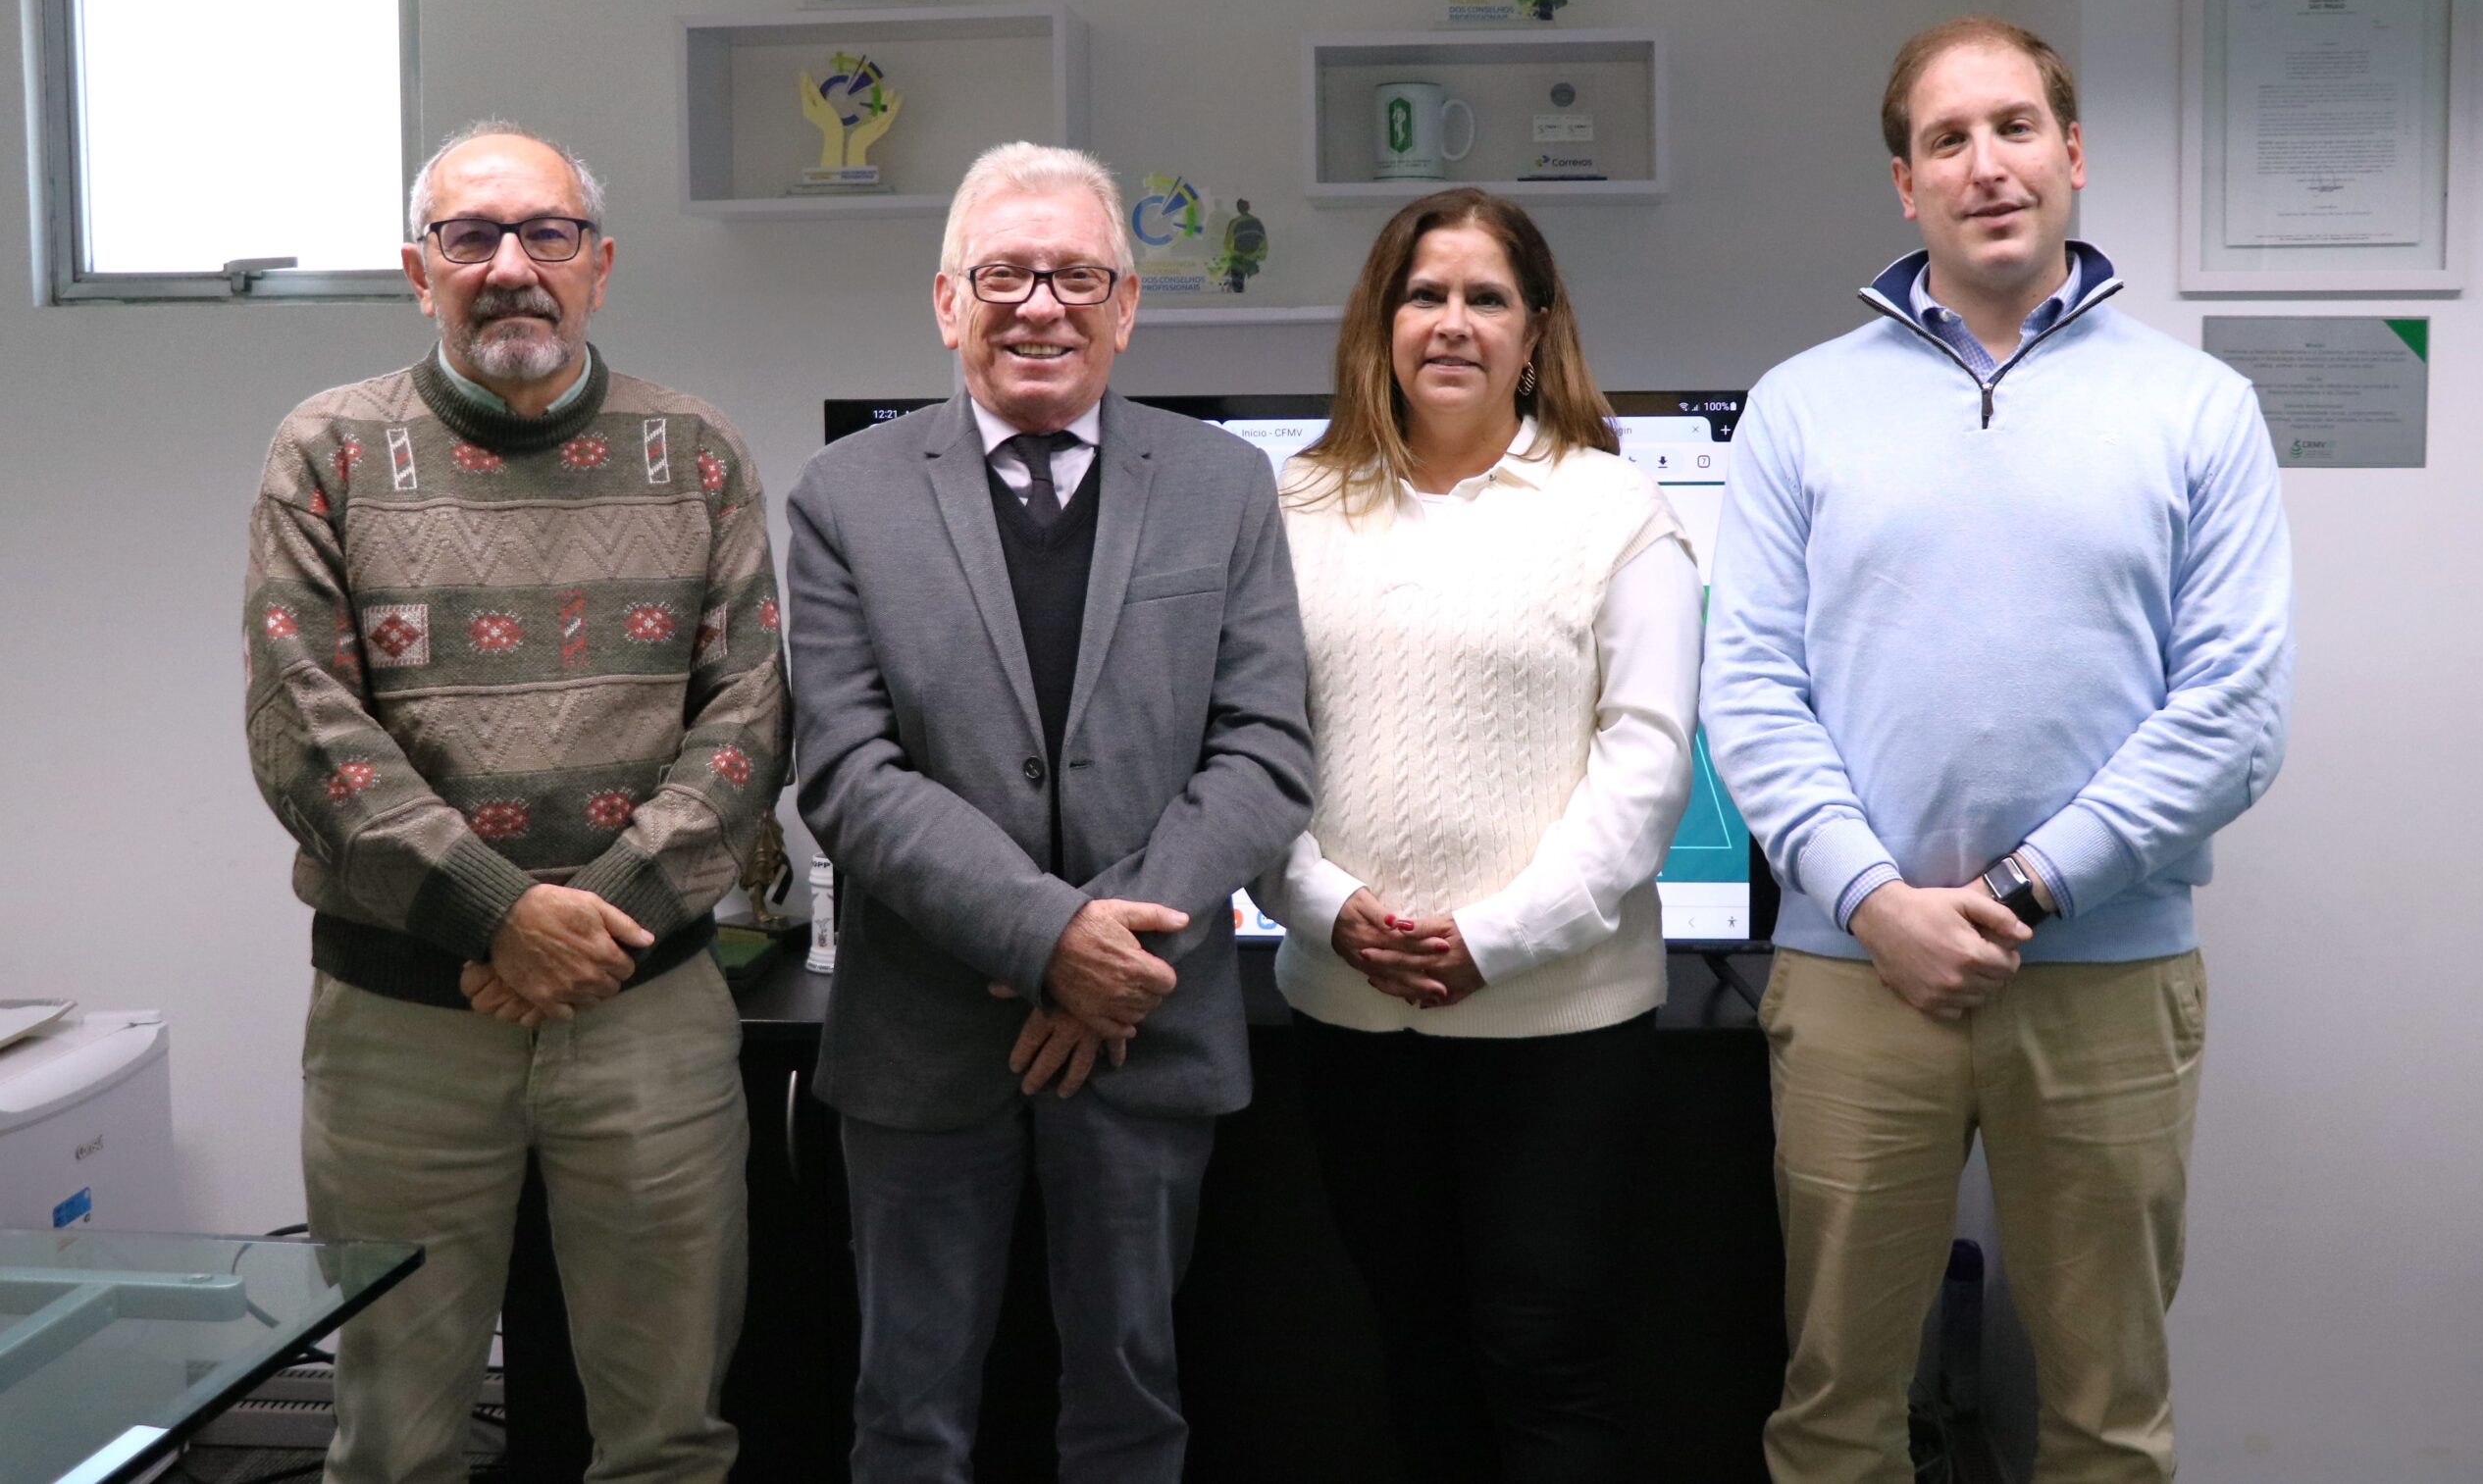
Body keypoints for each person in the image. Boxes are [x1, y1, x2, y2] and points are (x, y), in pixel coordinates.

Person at [1701, 17, 2295, 1483]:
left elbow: (2233, 713)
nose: (1987, 166)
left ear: (2073, 155)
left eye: (2016, 128)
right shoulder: (1799, 408)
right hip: (1857, 981)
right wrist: (1879, 906)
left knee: (2105, 1415)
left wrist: (2022, 893)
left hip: (2103, 978)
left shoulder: (2197, 409)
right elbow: (1752, 693)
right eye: (1947, 140)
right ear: (1904, 184)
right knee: (1836, 1412)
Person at [244, 121, 790, 1483]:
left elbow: (748, 722)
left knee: (669, 1436)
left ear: (599, 265)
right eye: (469, 238)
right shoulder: (329, 451)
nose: (510, 268)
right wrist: (500, 918)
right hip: (401, 1029)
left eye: (546, 235)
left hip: (646, 1011)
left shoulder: (699, 451)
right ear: (414, 271)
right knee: (395, 1440)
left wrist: (581, 928)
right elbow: (306, 731)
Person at [783, 140, 1314, 1483]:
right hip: (923, 1044)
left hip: (1147, 1023)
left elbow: (1264, 751)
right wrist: (1047, 942)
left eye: (1075, 275)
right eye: (1005, 273)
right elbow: (846, 767)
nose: (1041, 305)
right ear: (947, 302)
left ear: (1126, 305)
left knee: (1134, 1409)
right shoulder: (846, 496)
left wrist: (1111, 958)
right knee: (909, 1414)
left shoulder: (1226, 486)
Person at [1253, 186, 1700, 1483]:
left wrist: (1494, 939)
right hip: (1350, 1018)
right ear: (1380, 322)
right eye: (1423, 294)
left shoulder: (1616, 510)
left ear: (1536, 327)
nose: (1452, 323)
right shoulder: (1292, 508)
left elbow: (1648, 763)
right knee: (1416, 1350)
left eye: (1485, 297)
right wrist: (1326, 909)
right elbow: (1251, 750)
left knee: (1545, 1355)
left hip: (1558, 1030)